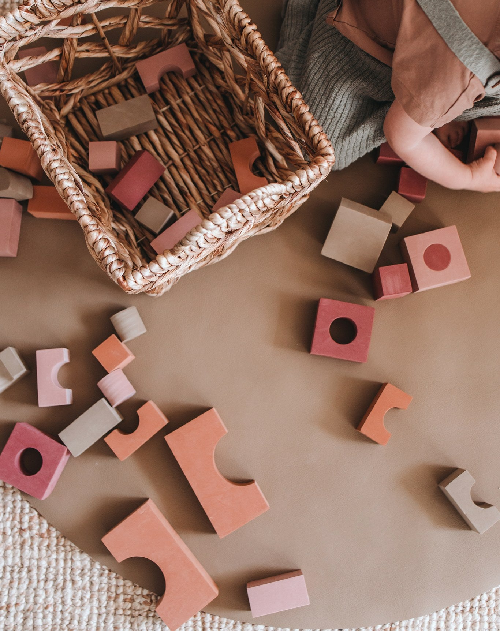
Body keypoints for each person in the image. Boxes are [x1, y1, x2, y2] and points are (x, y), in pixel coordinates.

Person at [276, 0, 500, 192]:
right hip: (354, 37)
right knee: (319, 148)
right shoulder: (464, 68)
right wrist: (467, 178)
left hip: (433, 45)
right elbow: (402, 138)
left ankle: (431, 107)